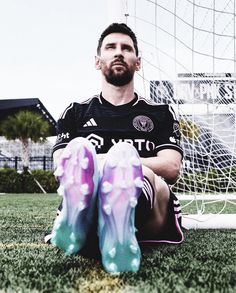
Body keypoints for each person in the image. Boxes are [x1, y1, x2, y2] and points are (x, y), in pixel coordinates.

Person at [45, 23, 184, 273]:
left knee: (145, 174)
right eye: (111, 47)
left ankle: (108, 224)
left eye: (126, 48)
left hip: (148, 211)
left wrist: (119, 164)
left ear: (138, 62)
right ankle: (89, 221)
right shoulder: (76, 112)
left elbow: (172, 167)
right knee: (81, 158)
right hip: (92, 192)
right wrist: (106, 168)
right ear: (98, 61)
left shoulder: (159, 113)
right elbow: (62, 163)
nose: (119, 52)